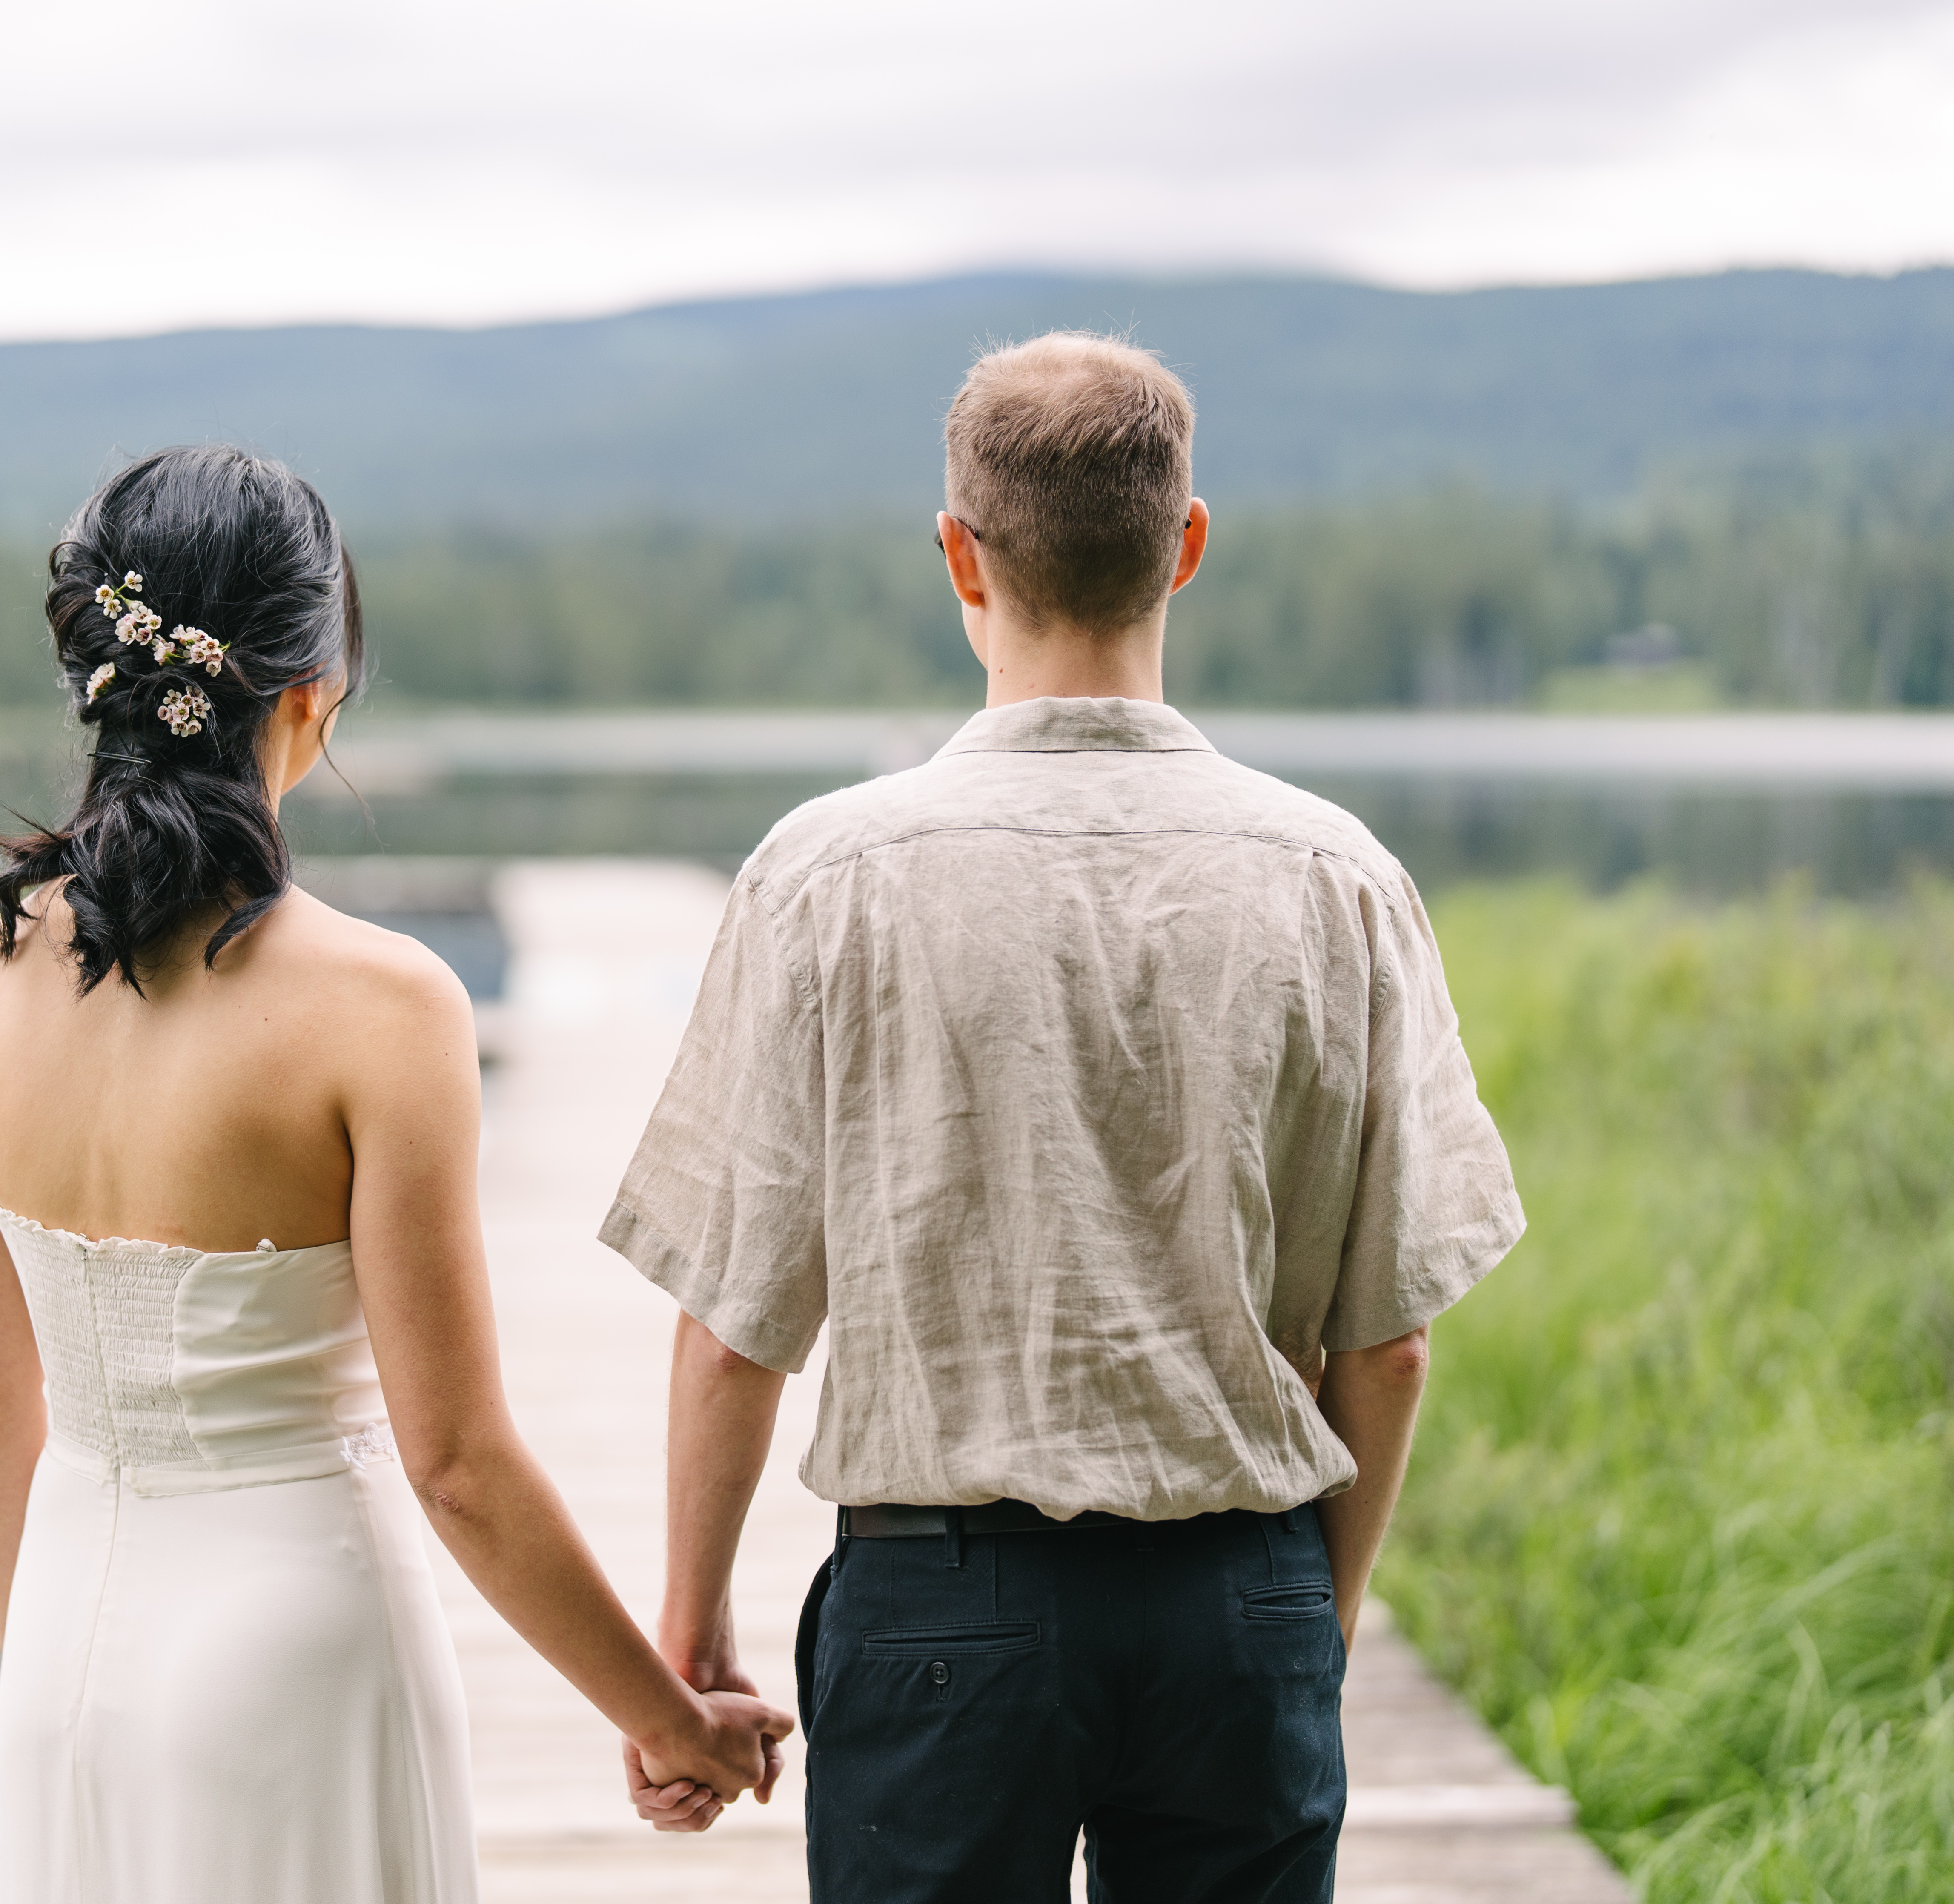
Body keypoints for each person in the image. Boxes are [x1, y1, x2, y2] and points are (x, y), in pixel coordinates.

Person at [607, 335, 1527, 1899]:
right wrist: (1317, 1611)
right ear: (1186, 545)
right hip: (1238, 1599)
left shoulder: (824, 875)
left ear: (958, 554)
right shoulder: (1338, 879)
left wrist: (688, 1644)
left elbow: (731, 1330)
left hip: (934, 1614)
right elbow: (1387, 1345)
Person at [0, 444, 790, 1904]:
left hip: (63, 1646)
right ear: (306, 692)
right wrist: (666, 1718)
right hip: (295, 1651)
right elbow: (456, 1464)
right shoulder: (385, 1011)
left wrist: (56, 1674)